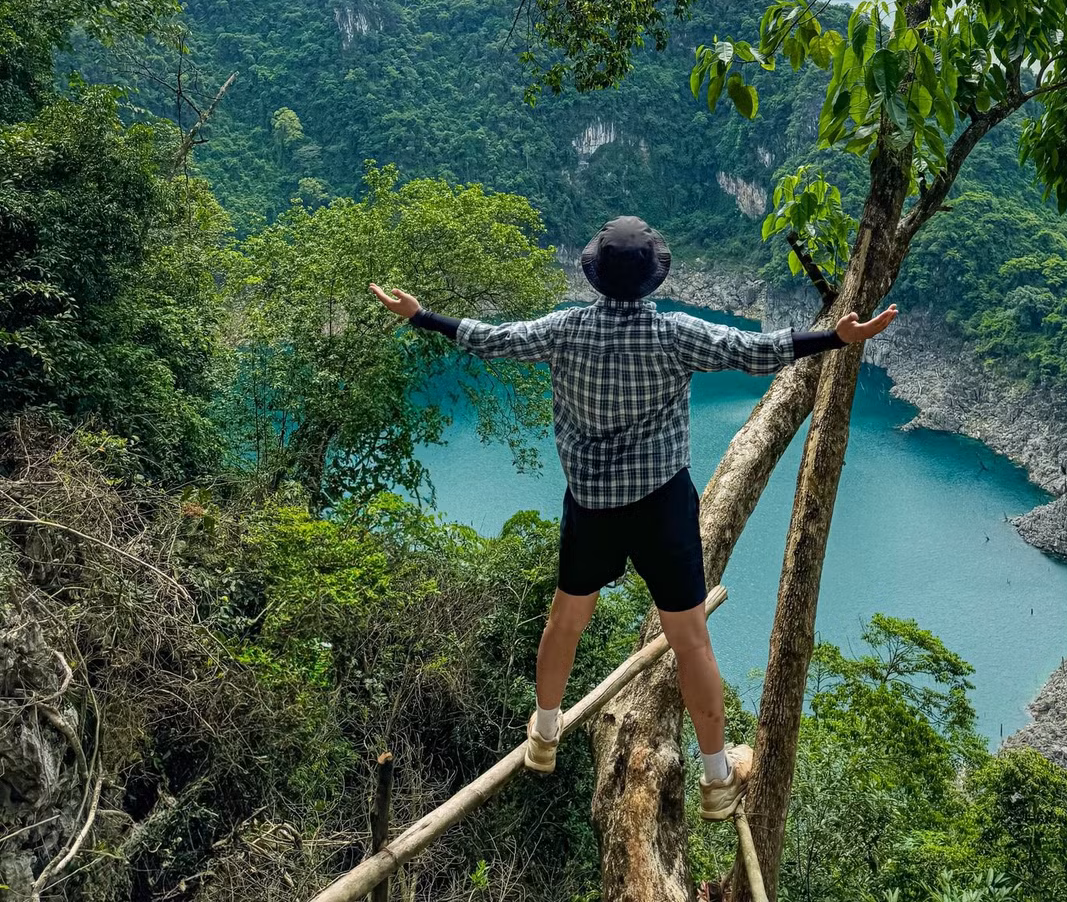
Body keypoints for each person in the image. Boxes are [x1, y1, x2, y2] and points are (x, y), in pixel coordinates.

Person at [370, 214, 898, 820]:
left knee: (566, 619)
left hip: (591, 507)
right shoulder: (674, 334)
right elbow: (754, 352)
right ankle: (719, 779)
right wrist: (836, 337)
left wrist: (421, 315)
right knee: (692, 641)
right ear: (651, 280)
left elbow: (490, 339)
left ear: (595, 276)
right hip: (661, 509)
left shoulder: (563, 331)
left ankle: (543, 738)